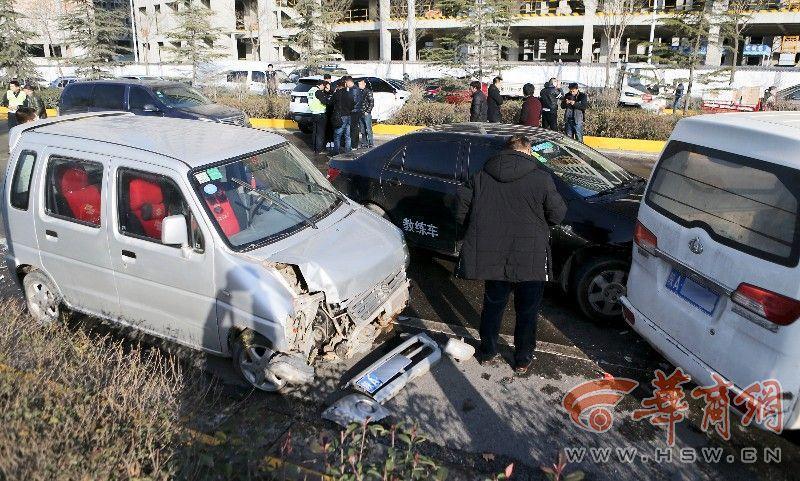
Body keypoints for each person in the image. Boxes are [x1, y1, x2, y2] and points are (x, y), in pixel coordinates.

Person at [456, 134, 567, 374]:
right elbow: (557, 215)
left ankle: (487, 352)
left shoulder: (480, 177)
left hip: (492, 255)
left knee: (493, 305)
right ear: (527, 152)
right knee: (527, 310)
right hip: (530, 257)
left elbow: (460, 213)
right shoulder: (541, 179)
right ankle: (522, 359)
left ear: (504, 152)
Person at [331, 76, 355, 154]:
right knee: (347, 135)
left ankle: (336, 152)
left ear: (338, 86)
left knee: (337, 135)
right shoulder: (349, 93)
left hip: (341, 116)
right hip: (348, 115)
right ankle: (348, 151)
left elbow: (331, 103)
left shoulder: (337, 93)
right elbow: (353, 104)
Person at [308, 79, 331, 155]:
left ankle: (314, 148)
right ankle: (319, 150)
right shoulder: (318, 92)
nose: (323, 88)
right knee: (320, 133)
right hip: (320, 114)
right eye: (323, 86)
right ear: (321, 85)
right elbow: (325, 101)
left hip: (313, 113)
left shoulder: (311, 91)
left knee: (315, 132)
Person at [358, 78, 374, 148]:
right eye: (358, 84)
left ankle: (370, 143)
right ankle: (364, 142)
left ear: (364, 84)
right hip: (360, 113)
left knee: (368, 128)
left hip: (366, 113)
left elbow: (371, 102)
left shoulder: (368, 92)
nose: (359, 85)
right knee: (362, 129)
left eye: (361, 84)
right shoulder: (359, 91)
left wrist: (367, 111)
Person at [350, 78, 364, 149]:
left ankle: (354, 145)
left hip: (354, 112)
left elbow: (353, 101)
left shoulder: (354, 90)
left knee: (354, 129)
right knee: (355, 128)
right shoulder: (357, 90)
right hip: (356, 111)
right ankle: (354, 145)